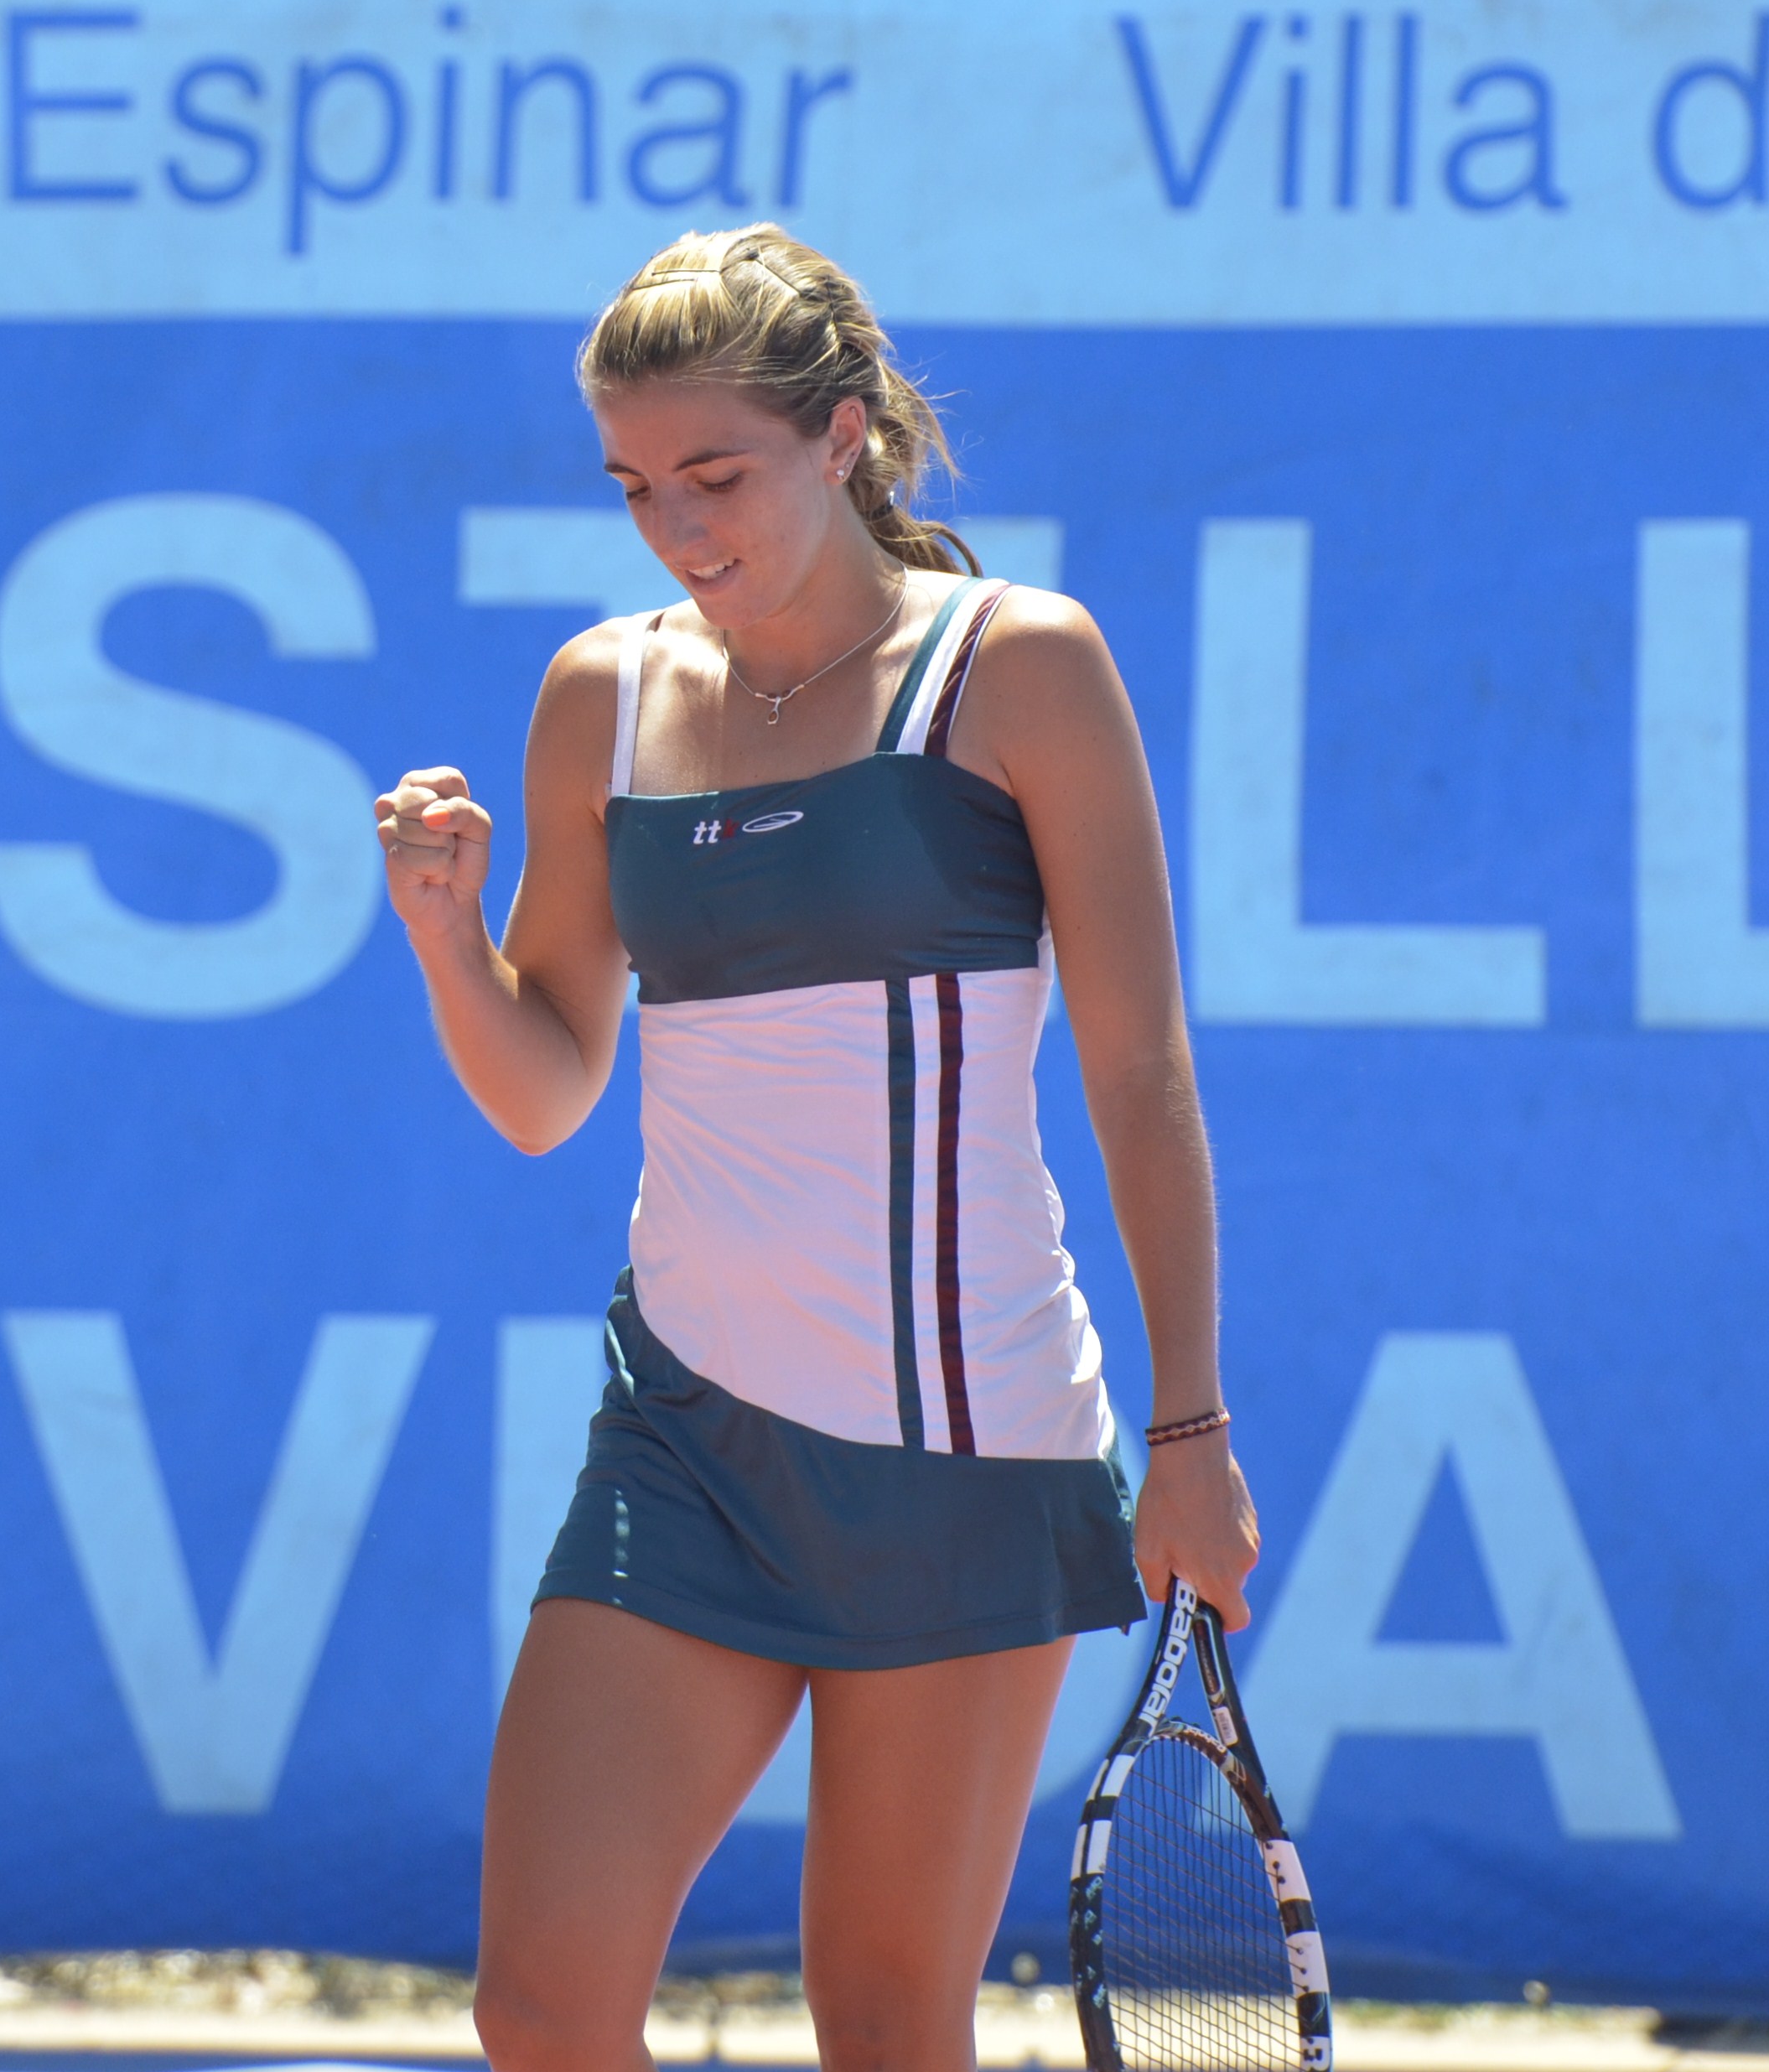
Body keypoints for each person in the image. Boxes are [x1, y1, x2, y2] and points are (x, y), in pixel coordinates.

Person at [376, 224, 1259, 2072]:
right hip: (684, 1433)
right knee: (538, 2010)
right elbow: (545, 1089)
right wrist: (451, 942)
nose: (679, 525)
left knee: (879, 2022)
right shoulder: (598, 695)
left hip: (965, 1444)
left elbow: (1141, 1073)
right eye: (634, 486)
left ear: (842, 435)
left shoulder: (1018, 664)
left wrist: (1187, 1430)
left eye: (719, 473)